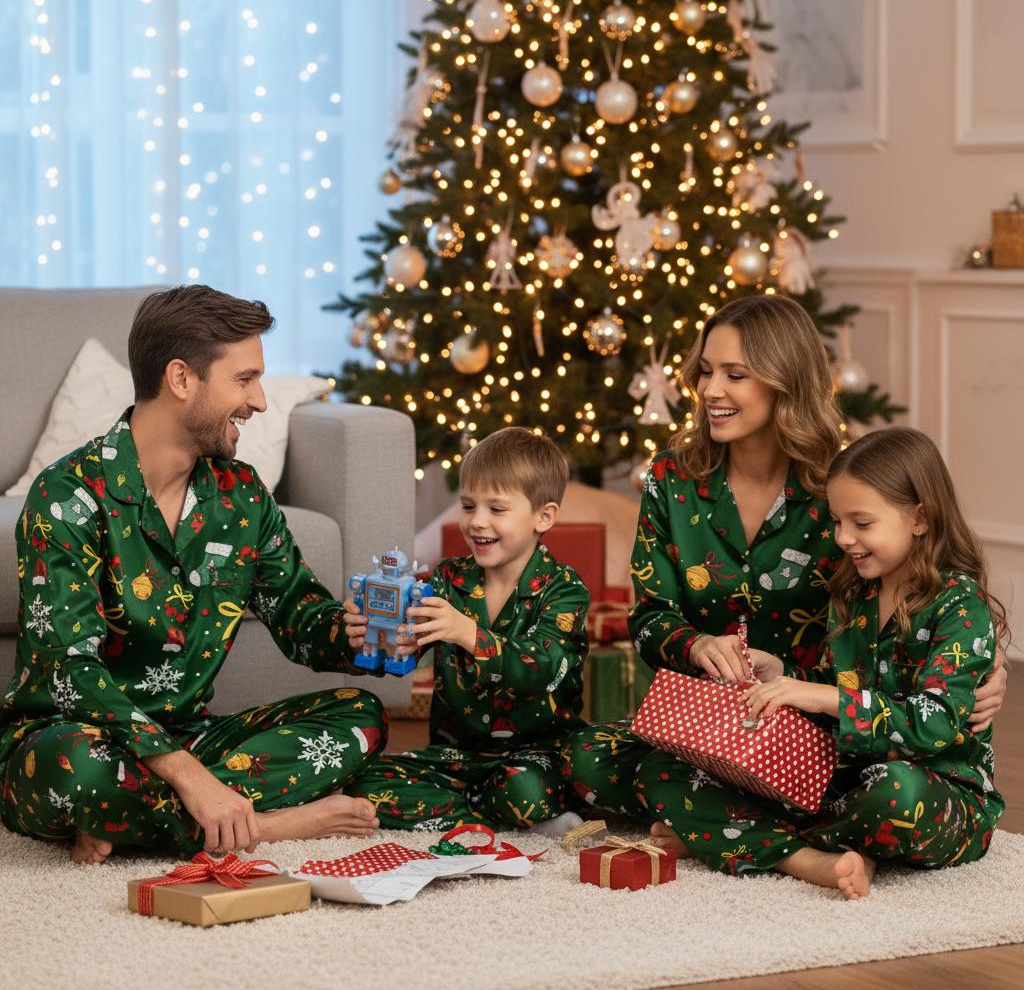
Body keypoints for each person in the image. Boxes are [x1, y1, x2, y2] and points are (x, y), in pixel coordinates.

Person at [562, 294, 1007, 828]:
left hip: (820, 731)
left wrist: (989, 664)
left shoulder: (839, 490)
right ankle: (758, 823)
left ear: (783, 382)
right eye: (705, 371)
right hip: (705, 721)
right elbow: (650, 618)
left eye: (735, 374)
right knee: (582, 758)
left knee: (888, 794)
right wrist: (696, 644)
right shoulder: (670, 480)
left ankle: (733, 828)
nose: (710, 390)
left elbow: (925, 585)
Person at [0, 285, 390, 864]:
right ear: (181, 379)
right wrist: (189, 778)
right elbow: (69, 673)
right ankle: (269, 826)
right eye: (244, 379)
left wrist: (364, 633)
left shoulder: (242, 498)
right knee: (75, 768)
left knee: (361, 716)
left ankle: (139, 819)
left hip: (192, 738)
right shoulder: (67, 496)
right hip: (72, 739)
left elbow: (302, 618)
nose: (259, 401)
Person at [736, 427, 1007, 898]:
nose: (843, 538)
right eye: (838, 522)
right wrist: (784, 677)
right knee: (700, 767)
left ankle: (748, 839)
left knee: (897, 793)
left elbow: (936, 725)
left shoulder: (960, 607)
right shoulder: (852, 594)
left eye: (861, 524)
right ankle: (807, 847)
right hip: (849, 777)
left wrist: (826, 697)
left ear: (919, 518)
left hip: (939, 791)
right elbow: (831, 683)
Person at [347, 427, 590, 832]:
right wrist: (383, 631)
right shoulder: (446, 579)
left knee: (524, 791)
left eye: (496, 510)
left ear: (543, 516)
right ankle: (492, 813)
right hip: (455, 756)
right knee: (364, 786)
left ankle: (498, 809)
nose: (477, 522)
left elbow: (543, 668)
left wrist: (466, 633)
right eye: (467, 505)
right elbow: (406, 647)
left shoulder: (565, 590)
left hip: (536, 756)